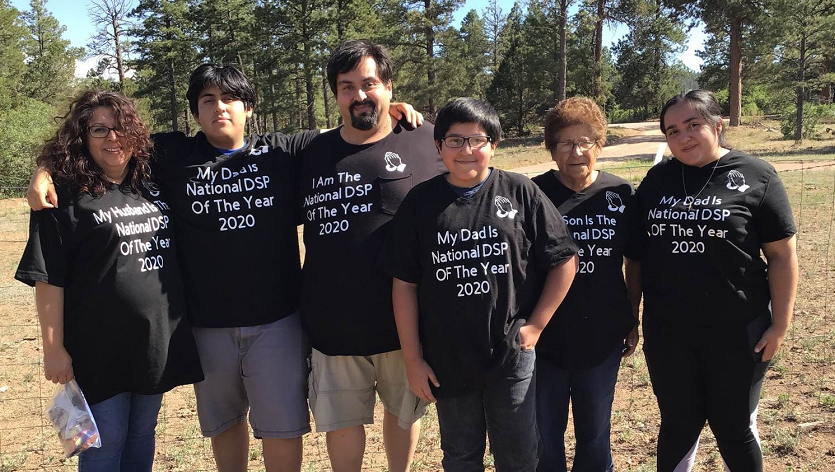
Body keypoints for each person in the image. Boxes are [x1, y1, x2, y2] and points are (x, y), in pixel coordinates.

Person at [26, 64, 422, 472]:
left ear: (248, 107)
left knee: (282, 429)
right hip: (204, 326)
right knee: (224, 424)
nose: (220, 108)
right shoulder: (174, 154)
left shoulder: (285, 151)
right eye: (208, 101)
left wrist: (388, 106)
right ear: (195, 113)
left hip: (278, 322)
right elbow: (104, 145)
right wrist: (45, 171)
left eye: (230, 99)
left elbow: (352, 131)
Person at [381, 97, 579, 472]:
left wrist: (536, 325)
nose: (466, 150)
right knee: (460, 456)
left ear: (494, 144)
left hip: (511, 353)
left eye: (478, 139)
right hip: (447, 358)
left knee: (519, 456)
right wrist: (413, 359)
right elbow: (404, 284)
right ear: (438, 146)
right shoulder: (420, 203)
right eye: (454, 140)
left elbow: (565, 259)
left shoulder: (520, 191)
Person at [15, 91, 204, 472]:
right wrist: (54, 349)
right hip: (98, 346)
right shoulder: (63, 197)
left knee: (142, 435)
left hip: (154, 341)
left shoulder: (151, 181)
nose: (112, 138)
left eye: (119, 128)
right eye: (99, 130)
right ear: (82, 138)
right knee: (105, 443)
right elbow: (48, 278)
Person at [627, 89, 798, 471]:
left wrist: (781, 326)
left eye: (693, 125)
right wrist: (632, 317)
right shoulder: (657, 181)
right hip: (669, 331)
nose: (683, 137)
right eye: (672, 131)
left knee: (733, 427)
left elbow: (782, 256)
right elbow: (635, 258)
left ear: (718, 125)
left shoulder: (757, 175)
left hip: (739, 329)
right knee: (678, 424)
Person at [296, 40, 445, 472]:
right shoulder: (310, 154)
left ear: (389, 86)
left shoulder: (425, 139)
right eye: (347, 87)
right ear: (336, 95)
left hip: (405, 325)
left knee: (403, 416)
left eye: (370, 84)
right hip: (332, 324)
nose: (360, 95)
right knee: (342, 425)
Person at [531, 97, 639, 472]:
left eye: (586, 141)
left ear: (600, 144)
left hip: (602, 334)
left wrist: (632, 316)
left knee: (594, 432)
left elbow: (633, 261)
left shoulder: (621, 194)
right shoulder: (534, 193)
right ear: (552, 148)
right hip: (546, 338)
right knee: (545, 432)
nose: (576, 152)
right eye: (565, 143)